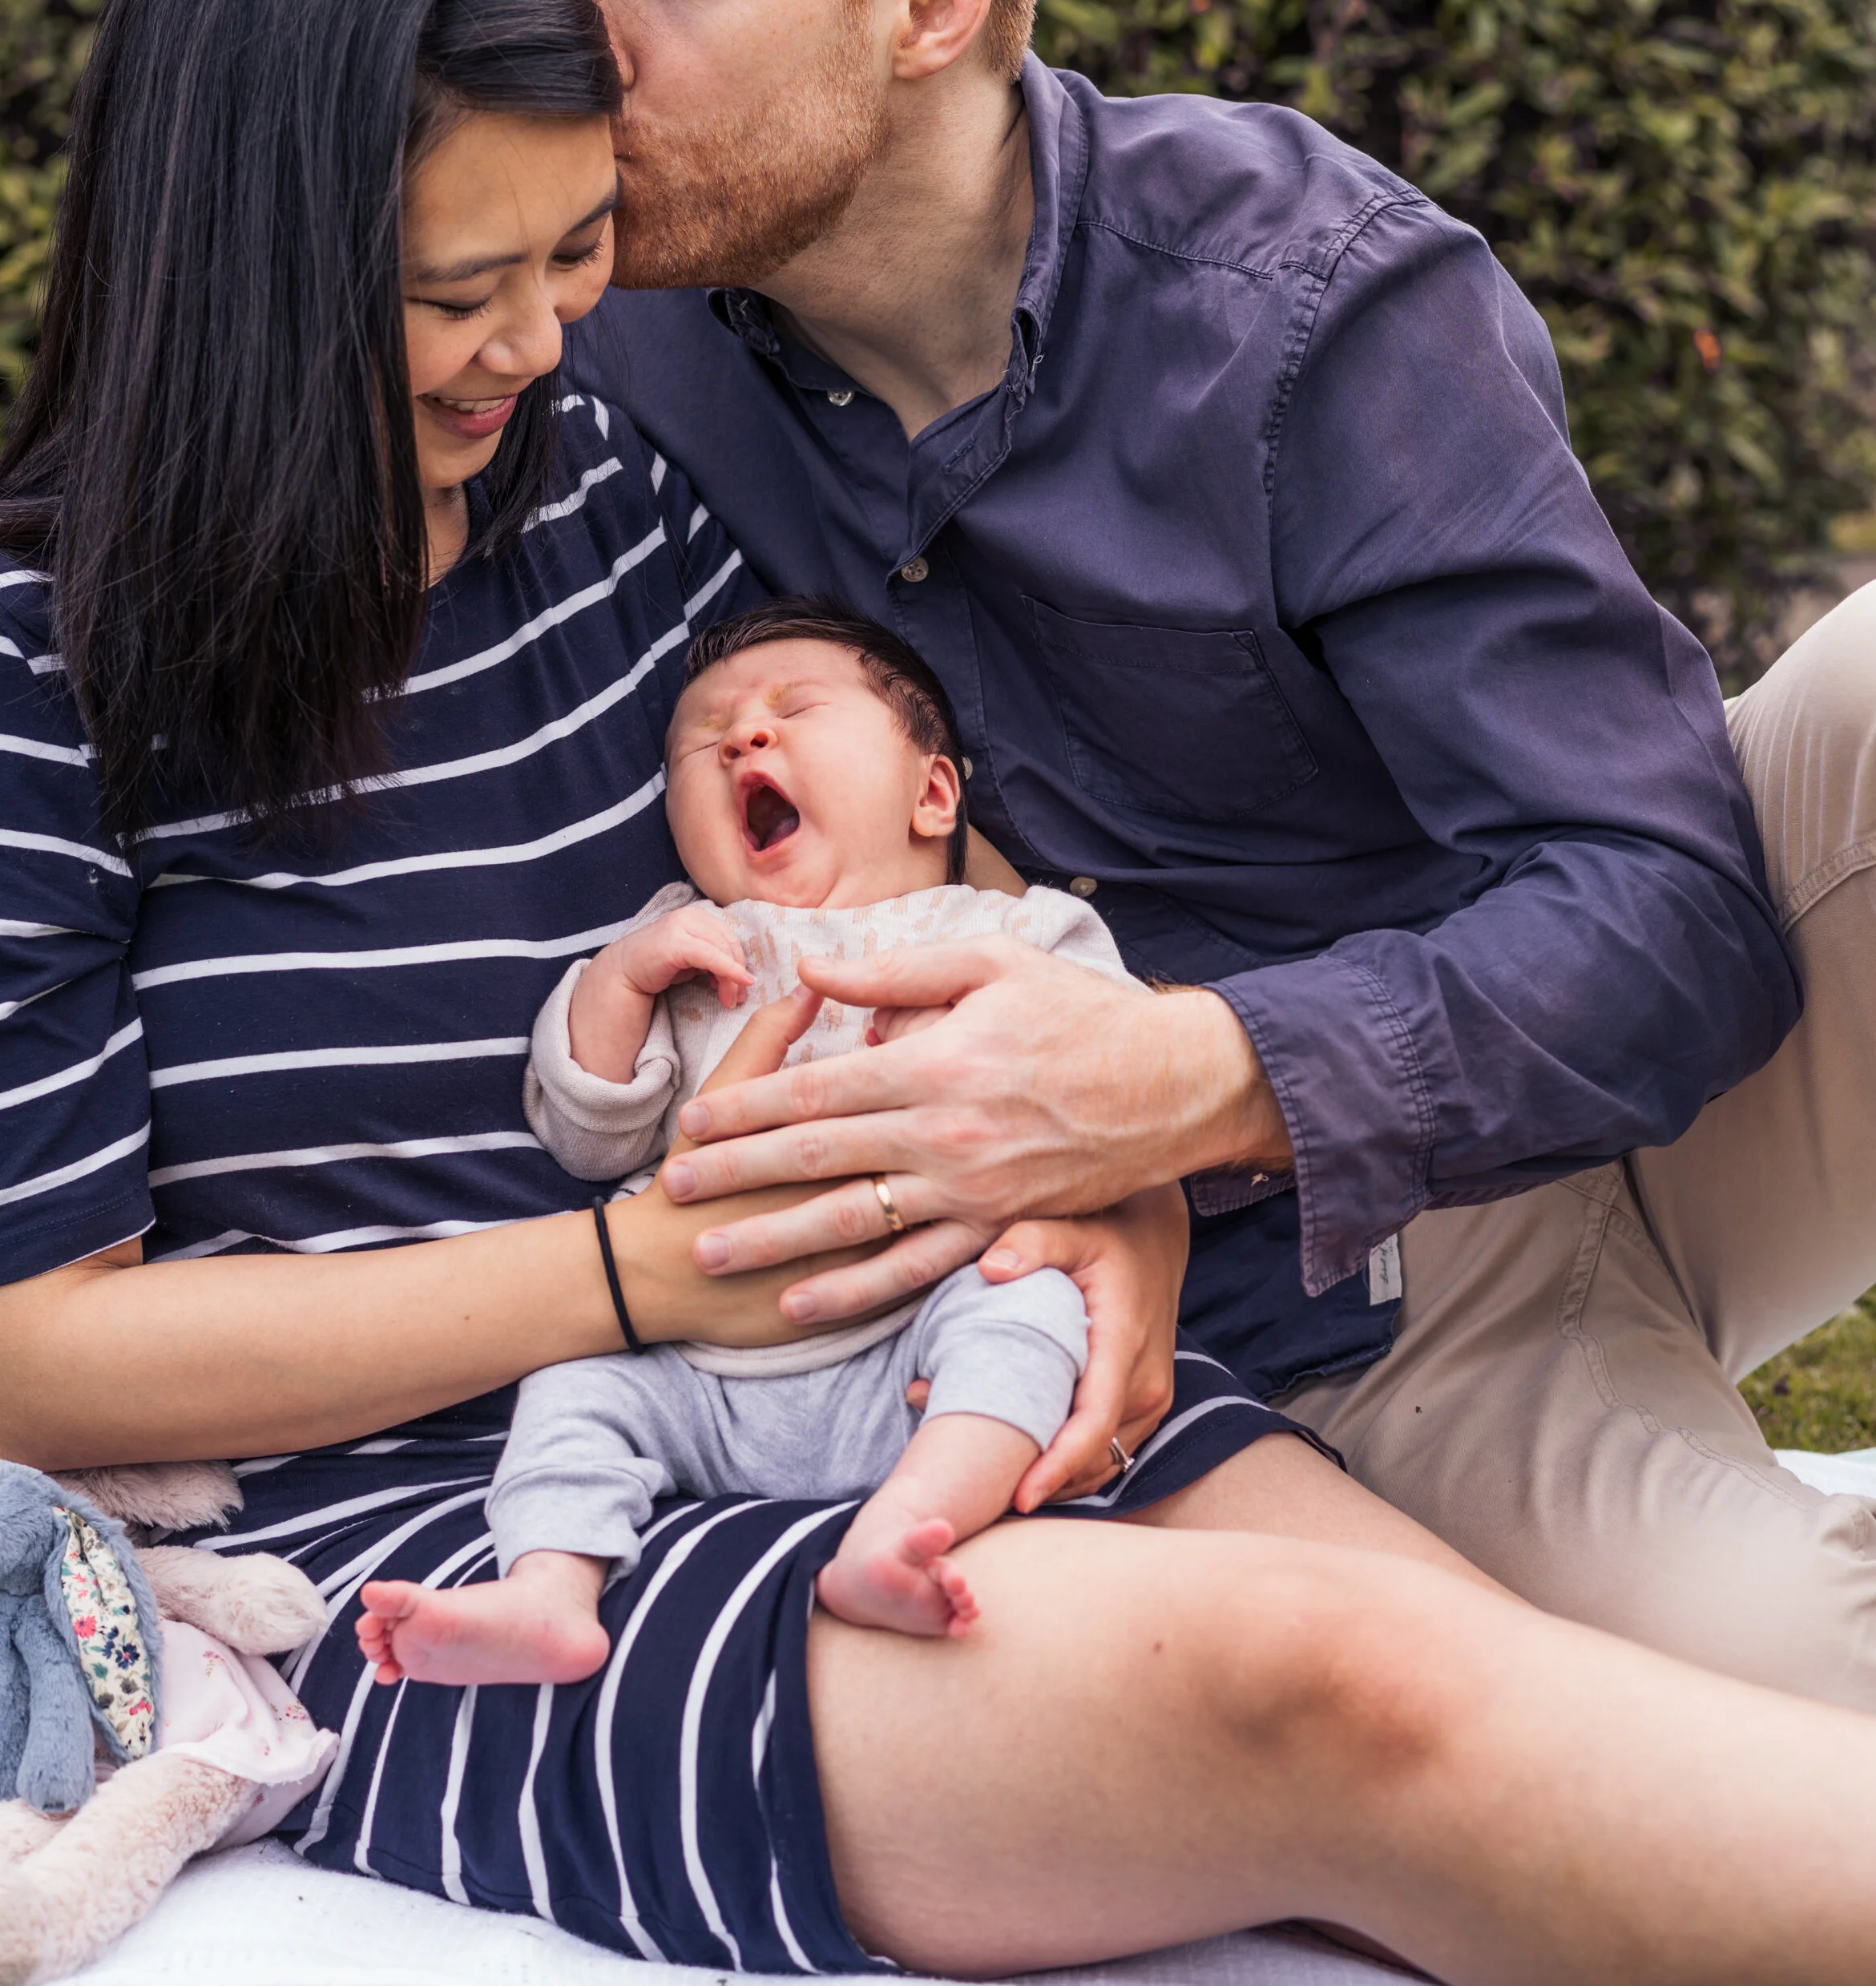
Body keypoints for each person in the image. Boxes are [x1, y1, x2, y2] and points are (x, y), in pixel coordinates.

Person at [0, 0, 1876, 1986]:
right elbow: (41, 1354)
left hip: (912, 1366)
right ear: (240, 266)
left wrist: (1101, 1170)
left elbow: (919, 874)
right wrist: (636, 1279)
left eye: (572, 261)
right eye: (459, 290)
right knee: (1333, 1686)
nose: (536, 348)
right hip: (464, 1529)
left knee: (1482, 1673)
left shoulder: (618, 506)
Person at [555, 0, 1876, 1710]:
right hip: (1341, 1328)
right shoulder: (578, 349)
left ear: (930, 1)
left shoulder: (1300, 304)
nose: (576, 39)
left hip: (1627, 1100)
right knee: (1797, 1723)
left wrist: (1180, 1077)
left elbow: (1675, 913)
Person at [353, 597, 1310, 1682]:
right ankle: (547, 1593)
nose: (744, 739)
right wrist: (621, 980)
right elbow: (586, 1133)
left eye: (792, 710)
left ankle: (907, 1526)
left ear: (933, 792)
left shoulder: (1016, 931)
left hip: (918, 1334)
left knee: (1031, 1308)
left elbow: (1110, 1076)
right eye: (702, 744)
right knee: (570, 1389)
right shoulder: (688, 947)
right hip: (697, 1367)